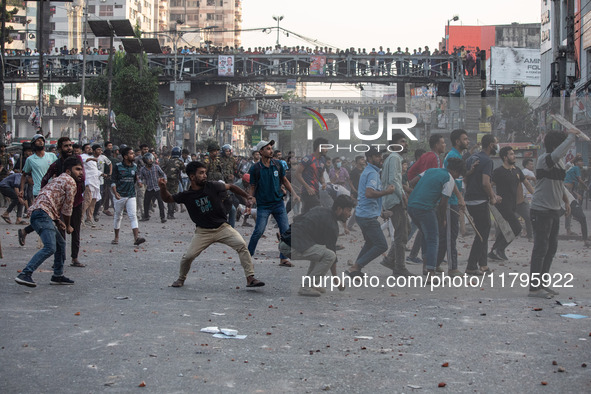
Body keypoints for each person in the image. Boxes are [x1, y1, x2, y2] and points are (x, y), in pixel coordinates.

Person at [161, 161, 265, 289]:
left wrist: (247, 196)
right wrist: (163, 188)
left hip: (222, 228)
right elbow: (168, 199)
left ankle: (250, 278)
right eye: (201, 173)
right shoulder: (186, 195)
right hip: (203, 232)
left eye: (205, 173)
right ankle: (181, 278)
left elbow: (231, 187)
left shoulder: (213, 186)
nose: (205, 175)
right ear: (192, 177)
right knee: (188, 257)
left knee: (242, 245)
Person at [529, 129, 583, 298]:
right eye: (563, 145)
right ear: (555, 145)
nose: (564, 150)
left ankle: (542, 284)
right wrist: (572, 136)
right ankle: (534, 288)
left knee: (551, 248)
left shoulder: (558, 163)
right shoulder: (545, 159)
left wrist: (566, 202)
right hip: (540, 210)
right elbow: (559, 152)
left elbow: (559, 186)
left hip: (553, 210)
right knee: (540, 248)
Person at [14, 157, 83, 287]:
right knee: (50, 247)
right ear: (68, 171)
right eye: (78, 169)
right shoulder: (70, 181)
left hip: (40, 212)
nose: (81, 173)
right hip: (42, 214)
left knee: (60, 243)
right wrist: (68, 226)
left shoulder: (57, 179)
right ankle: (25, 273)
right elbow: (67, 209)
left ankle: (57, 275)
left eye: (81, 170)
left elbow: (51, 201)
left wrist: (57, 221)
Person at [279, 195, 355, 297]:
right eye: (348, 210)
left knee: (320, 251)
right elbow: (332, 255)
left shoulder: (321, 210)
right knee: (329, 255)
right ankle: (306, 287)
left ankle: (312, 284)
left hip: (286, 242)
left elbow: (298, 219)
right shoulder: (331, 225)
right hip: (290, 246)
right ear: (339, 209)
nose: (350, 214)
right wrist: (336, 279)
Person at [407, 158, 465, 280]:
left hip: (412, 206)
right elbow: (443, 204)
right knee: (433, 239)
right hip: (426, 208)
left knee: (424, 235)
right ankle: (430, 273)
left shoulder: (430, 170)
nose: (457, 176)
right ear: (455, 171)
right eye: (458, 174)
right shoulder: (449, 179)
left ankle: (425, 266)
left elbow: (412, 182)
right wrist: (442, 219)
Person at [247, 140, 300, 267]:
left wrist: (294, 193)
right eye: (268, 148)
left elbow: (285, 180)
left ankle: (283, 258)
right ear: (261, 151)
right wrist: (250, 198)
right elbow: (252, 186)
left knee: (285, 231)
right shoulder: (255, 168)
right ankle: (248, 256)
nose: (271, 150)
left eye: (271, 148)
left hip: (278, 203)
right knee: (259, 231)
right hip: (263, 205)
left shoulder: (278, 165)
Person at [346, 147, 395, 277]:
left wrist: (381, 212)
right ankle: (356, 267)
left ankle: (355, 269)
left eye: (381, 156)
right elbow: (369, 193)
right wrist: (387, 192)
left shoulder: (371, 171)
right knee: (381, 245)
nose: (380, 158)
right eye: (377, 156)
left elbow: (369, 198)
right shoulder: (372, 173)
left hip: (364, 214)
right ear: (370, 158)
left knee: (370, 243)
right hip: (367, 217)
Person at [40, 137, 87, 267]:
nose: (69, 148)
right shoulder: (56, 164)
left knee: (75, 230)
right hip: (61, 203)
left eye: (70, 145)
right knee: (61, 232)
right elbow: (45, 179)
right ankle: (60, 259)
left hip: (76, 201)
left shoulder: (78, 161)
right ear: (60, 148)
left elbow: (82, 178)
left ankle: (75, 258)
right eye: (66, 146)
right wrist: (46, 194)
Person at [464, 135, 501, 276]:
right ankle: (471, 266)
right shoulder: (487, 161)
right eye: (496, 143)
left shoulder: (472, 158)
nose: (497, 147)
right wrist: (492, 197)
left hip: (470, 199)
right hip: (480, 201)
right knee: (481, 235)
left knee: (483, 233)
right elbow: (486, 182)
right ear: (491, 145)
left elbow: (466, 178)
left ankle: (483, 264)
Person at [489, 147, 535, 261]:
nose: (514, 156)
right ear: (505, 157)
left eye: (514, 154)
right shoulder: (499, 171)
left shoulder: (517, 170)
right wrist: (494, 196)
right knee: (517, 227)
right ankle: (499, 248)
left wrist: (536, 195)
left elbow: (527, 183)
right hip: (502, 205)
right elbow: (489, 185)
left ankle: (495, 250)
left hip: (513, 205)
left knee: (508, 228)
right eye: (511, 154)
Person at [436, 129, 469, 277]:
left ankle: (434, 264)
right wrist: (460, 197)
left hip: (454, 199)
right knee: (450, 235)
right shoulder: (453, 156)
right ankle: (452, 267)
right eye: (465, 139)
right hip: (450, 200)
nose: (467, 141)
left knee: (446, 235)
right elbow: (450, 179)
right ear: (457, 141)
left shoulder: (458, 155)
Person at [380, 133, 413, 277]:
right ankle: (400, 267)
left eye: (405, 142)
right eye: (402, 142)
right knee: (401, 234)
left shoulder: (394, 158)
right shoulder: (394, 158)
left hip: (393, 199)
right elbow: (394, 180)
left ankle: (390, 259)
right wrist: (403, 196)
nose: (405, 144)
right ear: (394, 145)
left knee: (406, 229)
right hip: (395, 200)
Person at [18, 134, 58, 242]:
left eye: (42, 140)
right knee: (44, 216)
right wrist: (21, 189)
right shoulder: (30, 160)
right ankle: (47, 240)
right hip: (38, 191)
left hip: (52, 190)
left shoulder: (52, 156)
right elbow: (24, 175)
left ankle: (25, 231)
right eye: (38, 141)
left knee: (49, 216)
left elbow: (58, 171)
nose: (40, 142)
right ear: (33, 144)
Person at [111, 146, 145, 246]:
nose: (133, 155)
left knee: (133, 215)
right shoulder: (117, 166)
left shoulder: (134, 166)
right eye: (131, 154)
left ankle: (136, 238)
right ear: (125, 156)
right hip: (119, 195)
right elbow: (113, 181)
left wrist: (139, 182)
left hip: (131, 195)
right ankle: (116, 237)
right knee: (118, 216)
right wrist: (115, 192)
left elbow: (135, 178)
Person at [294, 137, 328, 214]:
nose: (327, 149)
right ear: (318, 147)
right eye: (325, 147)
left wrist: (323, 183)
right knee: (318, 210)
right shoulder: (308, 159)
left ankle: (296, 224)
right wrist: (308, 187)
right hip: (307, 192)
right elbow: (297, 174)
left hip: (316, 191)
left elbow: (321, 176)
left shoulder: (323, 160)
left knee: (306, 214)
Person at [564, 156, 589, 244]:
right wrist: (586, 187)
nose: (582, 163)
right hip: (566, 191)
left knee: (571, 212)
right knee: (567, 211)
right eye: (580, 161)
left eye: (582, 161)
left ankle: (570, 229)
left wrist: (576, 194)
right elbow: (579, 179)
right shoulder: (576, 168)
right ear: (576, 163)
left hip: (569, 191)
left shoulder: (571, 168)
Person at [139, 153, 167, 223]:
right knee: (146, 202)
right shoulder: (143, 169)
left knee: (160, 203)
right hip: (149, 188)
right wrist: (140, 182)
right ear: (145, 161)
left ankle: (162, 217)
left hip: (157, 188)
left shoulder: (156, 167)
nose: (151, 160)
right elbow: (140, 178)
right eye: (149, 159)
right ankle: (146, 216)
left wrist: (165, 179)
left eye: (151, 159)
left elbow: (163, 174)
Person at [161, 147, 185, 220]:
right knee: (173, 196)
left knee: (169, 195)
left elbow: (162, 168)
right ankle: (171, 214)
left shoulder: (168, 161)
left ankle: (169, 212)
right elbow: (184, 170)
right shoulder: (180, 162)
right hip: (175, 181)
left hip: (167, 180)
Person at [80, 144, 101, 227]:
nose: (89, 149)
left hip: (95, 182)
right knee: (87, 200)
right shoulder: (83, 156)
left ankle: (89, 218)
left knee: (93, 201)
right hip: (88, 182)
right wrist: (92, 158)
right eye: (87, 148)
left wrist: (102, 174)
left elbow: (94, 170)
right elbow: (85, 160)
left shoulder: (93, 159)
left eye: (90, 148)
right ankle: (80, 218)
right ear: (84, 150)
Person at [516, 158, 536, 241]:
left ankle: (521, 233)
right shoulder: (529, 172)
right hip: (522, 198)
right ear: (526, 165)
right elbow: (534, 183)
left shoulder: (520, 171)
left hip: (518, 198)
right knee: (528, 217)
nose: (532, 166)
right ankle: (530, 236)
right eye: (531, 164)